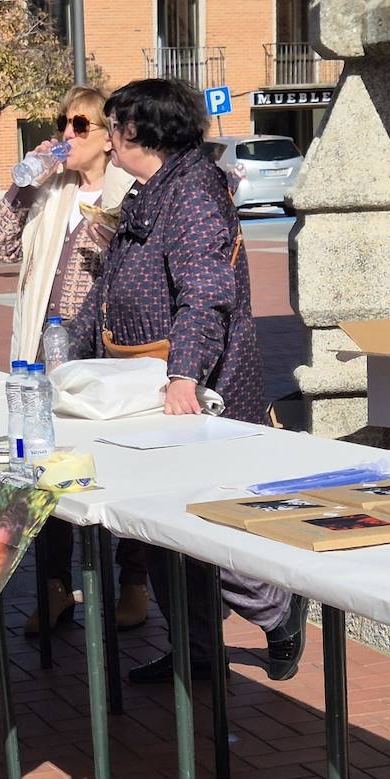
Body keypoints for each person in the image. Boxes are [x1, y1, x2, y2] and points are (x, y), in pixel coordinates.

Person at [71, 78, 308, 685]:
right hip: (140, 387)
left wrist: (184, 375)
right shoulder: (152, 191)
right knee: (157, 533)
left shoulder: (195, 193)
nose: (107, 135)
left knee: (203, 524)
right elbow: (108, 285)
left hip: (196, 395)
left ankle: (277, 610)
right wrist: (67, 348)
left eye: (113, 124)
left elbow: (206, 295)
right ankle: (198, 651)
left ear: (137, 131)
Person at [0, 85, 149, 636]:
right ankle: (54, 588)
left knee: (114, 470)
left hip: (102, 355)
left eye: (79, 126)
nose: (66, 136)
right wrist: (19, 184)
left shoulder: (133, 189)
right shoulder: (49, 188)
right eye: (62, 125)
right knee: (42, 470)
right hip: (40, 349)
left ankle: (132, 584)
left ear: (107, 137)